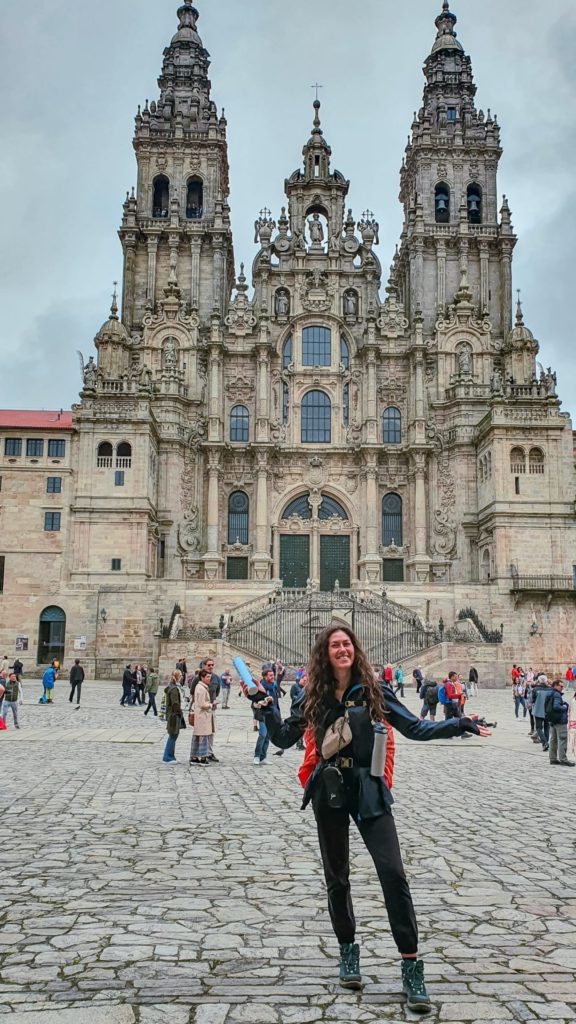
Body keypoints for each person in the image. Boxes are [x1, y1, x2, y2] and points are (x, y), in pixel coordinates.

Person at [257, 624, 489, 1012]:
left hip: (369, 788)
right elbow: (283, 737)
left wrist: (458, 724)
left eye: (347, 643)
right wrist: (266, 711)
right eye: (335, 645)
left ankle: (411, 966)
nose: (342, 650)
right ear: (324, 653)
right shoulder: (311, 695)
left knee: (393, 873)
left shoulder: (375, 690)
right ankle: (348, 952)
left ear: (355, 649)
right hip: (329, 788)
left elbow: (414, 727)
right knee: (337, 877)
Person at [253, 667, 280, 765]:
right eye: (270, 675)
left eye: (273, 675)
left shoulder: (274, 685)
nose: (273, 677)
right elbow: (254, 702)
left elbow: (276, 700)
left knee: (268, 736)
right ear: (265, 677)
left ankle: (263, 757)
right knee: (262, 735)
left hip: (272, 714)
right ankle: (256, 756)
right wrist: (262, 702)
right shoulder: (260, 687)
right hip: (263, 714)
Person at [545, 680, 575, 767]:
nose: (562, 688)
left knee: (553, 739)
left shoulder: (549, 693)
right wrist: (565, 707)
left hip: (552, 719)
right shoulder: (557, 694)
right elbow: (556, 706)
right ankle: (563, 759)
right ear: (555, 686)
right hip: (559, 720)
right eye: (561, 686)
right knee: (562, 739)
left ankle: (553, 758)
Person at [189, 668, 215, 766]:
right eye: (208, 677)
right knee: (203, 736)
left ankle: (194, 757)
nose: (209, 679)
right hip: (202, 716)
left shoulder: (201, 687)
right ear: (202, 677)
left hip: (201, 716)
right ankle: (203, 758)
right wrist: (211, 704)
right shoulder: (201, 688)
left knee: (198, 736)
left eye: (210, 677)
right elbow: (202, 704)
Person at [162, 671, 182, 763]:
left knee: (173, 735)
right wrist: (179, 712)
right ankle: (168, 757)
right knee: (173, 735)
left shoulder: (171, 687)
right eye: (180, 676)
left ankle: (170, 756)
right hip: (174, 714)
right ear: (177, 677)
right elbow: (175, 703)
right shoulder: (174, 689)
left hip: (171, 713)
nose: (181, 677)